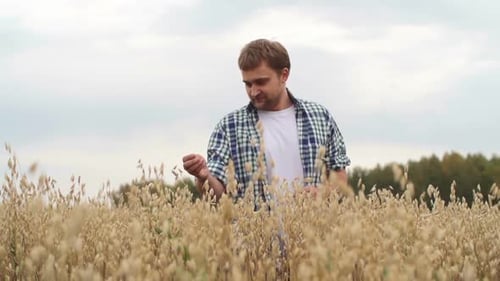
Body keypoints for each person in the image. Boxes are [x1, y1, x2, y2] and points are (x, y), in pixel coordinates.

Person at [183, 39, 350, 208]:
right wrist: (204, 177)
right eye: (248, 84)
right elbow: (219, 196)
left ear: (284, 75)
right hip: (253, 234)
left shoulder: (320, 117)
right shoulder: (228, 127)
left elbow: (339, 175)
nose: (253, 91)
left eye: (261, 82)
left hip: (312, 233)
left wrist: (323, 194)